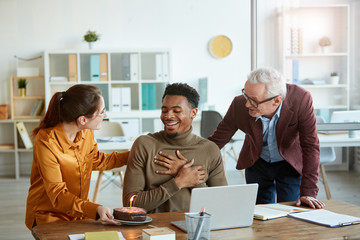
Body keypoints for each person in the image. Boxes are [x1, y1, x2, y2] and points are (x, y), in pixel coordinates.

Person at [208, 67, 325, 209]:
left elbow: (310, 146)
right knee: (260, 213)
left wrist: (309, 192)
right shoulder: (239, 105)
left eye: (253, 101)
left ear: (276, 100)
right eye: (246, 96)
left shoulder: (301, 99)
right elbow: (217, 141)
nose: (247, 104)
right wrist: (192, 161)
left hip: (289, 163)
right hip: (257, 162)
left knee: (291, 211)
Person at [25, 84, 129, 230]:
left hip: (80, 212)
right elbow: (58, 195)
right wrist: (95, 209)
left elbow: (97, 160)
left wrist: (133, 155)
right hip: (49, 214)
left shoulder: (85, 132)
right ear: (82, 120)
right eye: (102, 112)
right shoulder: (47, 142)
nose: (105, 116)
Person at [123, 83, 227, 213]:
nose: (168, 116)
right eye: (164, 110)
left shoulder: (209, 149)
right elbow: (130, 204)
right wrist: (178, 182)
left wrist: (192, 178)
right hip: (154, 230)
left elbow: (221, 204)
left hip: (196, 228)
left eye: (176, 111)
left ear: (193, 113)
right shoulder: (144, 144)